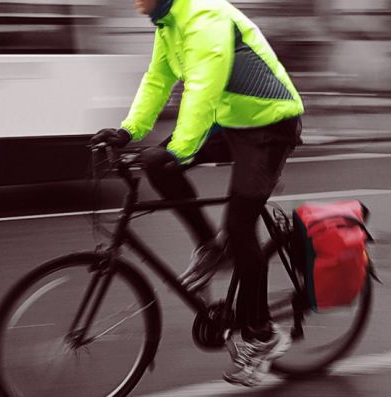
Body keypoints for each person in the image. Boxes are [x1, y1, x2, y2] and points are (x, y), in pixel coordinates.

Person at [90, 0, 304, 387]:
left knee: (240, 229)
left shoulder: (205, 18)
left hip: (270, 122)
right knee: (156, 164)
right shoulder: (168, 23)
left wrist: (179, 149)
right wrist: (127, 132)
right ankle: (211, 247)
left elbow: (202, 89)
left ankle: (262, 333)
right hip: (230, 121)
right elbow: (158, 79)